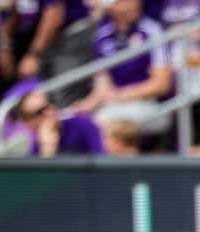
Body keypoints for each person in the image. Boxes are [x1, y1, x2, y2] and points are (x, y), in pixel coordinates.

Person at [74, 0, 173, 135]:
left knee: (103, 124)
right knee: (76, 123)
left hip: (150, 104)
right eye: (125, 1)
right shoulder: (102, 36)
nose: (134, 4)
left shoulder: (151, 30)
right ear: (111, 6)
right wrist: (83, 107)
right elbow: (102, 87)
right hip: (115, 104)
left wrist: (121, 95)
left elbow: (162, 84)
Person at [16, 88, 104, 154]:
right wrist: (48, 149)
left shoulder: (81, 124)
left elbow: (102, 160)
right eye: (39, 112)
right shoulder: (36, 150)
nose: (49, 111)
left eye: (49, 103)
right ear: (28, 123)